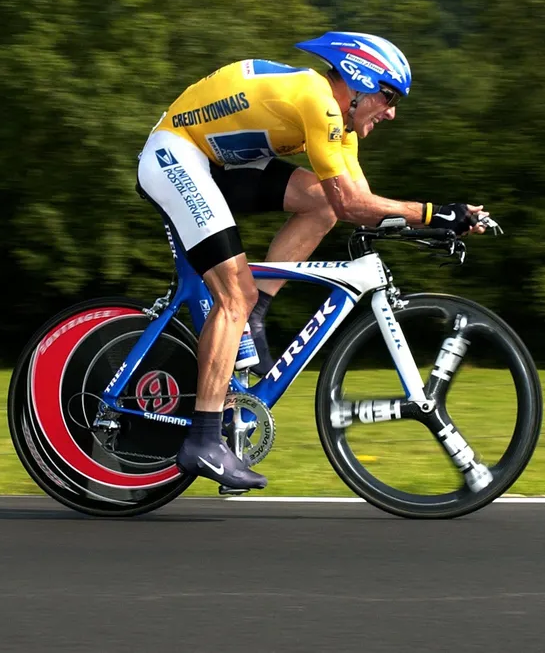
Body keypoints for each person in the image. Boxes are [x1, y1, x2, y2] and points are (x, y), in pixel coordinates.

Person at [136, 31, 493, 490]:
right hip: (176, 156)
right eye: (388, 97)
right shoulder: (318, 102)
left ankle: (255, 315)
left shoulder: (340, 125)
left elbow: (352, 203)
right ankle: (203, 439)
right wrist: (434, 213)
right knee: (233, 295)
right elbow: (355, 206)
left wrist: (436, 220)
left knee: (317, 208)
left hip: (212, 163)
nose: (392, 111)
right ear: (360, 84)